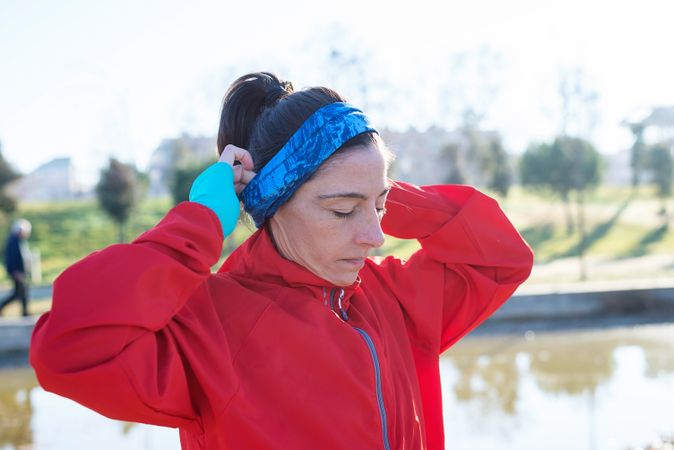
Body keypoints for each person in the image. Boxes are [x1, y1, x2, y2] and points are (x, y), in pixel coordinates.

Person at [29, 72, 534, 450]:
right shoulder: (212, 328)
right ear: (274, 201)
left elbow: (497, 256)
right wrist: (200, 222)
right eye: (342, 210)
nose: (376, 236)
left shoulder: (389, 299)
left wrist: (367, 190)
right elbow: (70, 348)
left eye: (379, 207)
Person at [0, 219, 32, 317]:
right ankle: (25, 312)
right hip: (17, 272)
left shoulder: (18, 240)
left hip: (19, 271)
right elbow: (12, 258)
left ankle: (25, 312)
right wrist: (16, 271)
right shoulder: (14, 241)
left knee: (20, 292)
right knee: (20, 292)